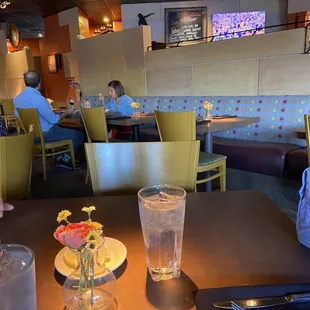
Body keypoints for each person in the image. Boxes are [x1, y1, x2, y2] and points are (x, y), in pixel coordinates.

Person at [14, 70, 85, 169]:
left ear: (25, 82)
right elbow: (53, 120)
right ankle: (66, 160)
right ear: (39, 83)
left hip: (29, 136)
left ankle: (60, 156)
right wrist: (67, 113)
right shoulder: (39, 99)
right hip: (46, 135)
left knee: (59, 131)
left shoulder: (17, 99)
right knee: (80, 135)